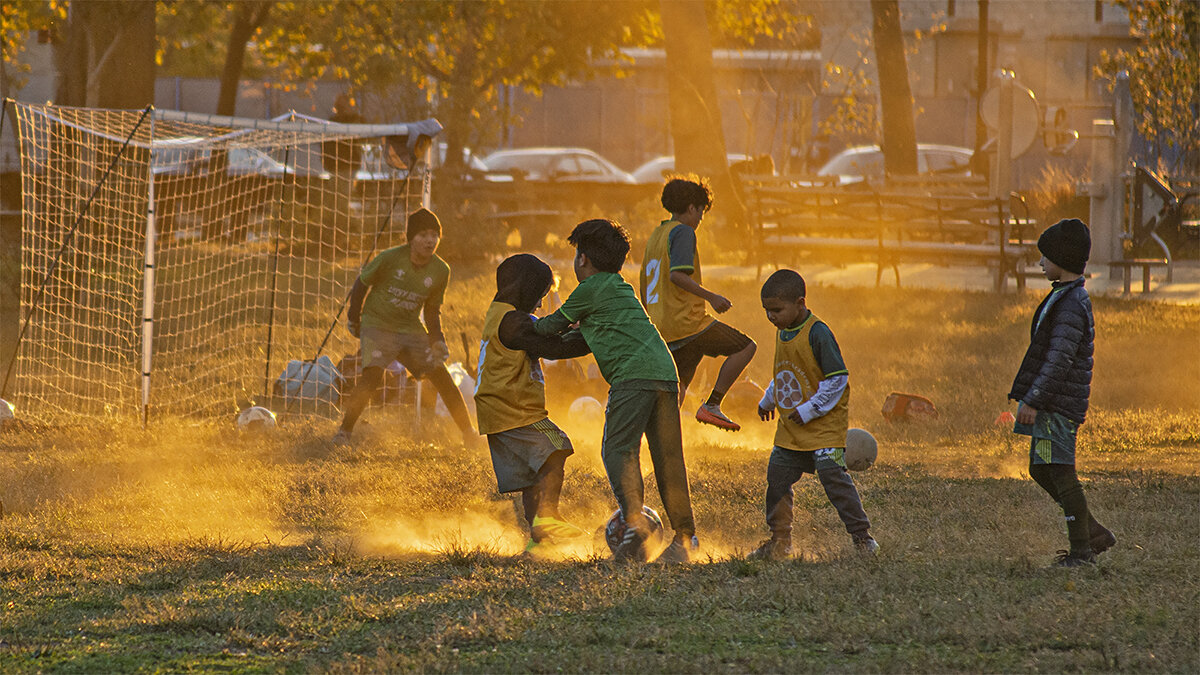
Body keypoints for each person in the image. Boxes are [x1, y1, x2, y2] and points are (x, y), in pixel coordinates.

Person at [534, 219, 700, 564]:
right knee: (668, 458)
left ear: (582, 259)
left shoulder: (589, 289)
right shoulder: (621, 289)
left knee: (617, 450)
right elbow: (584, 338)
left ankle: (634, 524)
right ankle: (685, 539)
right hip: (665, 375)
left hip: (632, 377)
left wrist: (523, 327)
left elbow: (551, 327)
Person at [1009, 218, 1116, 567]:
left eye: (1045, 256)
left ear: (1062, 259)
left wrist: (1034, 399)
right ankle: (1092, 532)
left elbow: (1058, 360)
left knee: (1060, 470)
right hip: (1051, 406)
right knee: (1041, 469)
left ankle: (1082, 551)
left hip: (1057, 408)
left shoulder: (1072, 303)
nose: (1040, 263)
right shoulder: (1063, 295)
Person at [750, 269, 877, 560]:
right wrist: (768, 400)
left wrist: (808, 411)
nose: (771, 316)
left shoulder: (818, 333)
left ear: (800, 302)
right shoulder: (783, 331)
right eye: (767, 311)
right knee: (777, 479)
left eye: (777, 310)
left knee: (834, 480)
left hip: (823, 428)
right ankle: (780, 542)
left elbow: (837, 379)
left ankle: (863, 539)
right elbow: (784, 372)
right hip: (791, 429)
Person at [474, 254, 593, 557]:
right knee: (558, 446)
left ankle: (537, 543)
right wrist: (593, 336)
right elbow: (554, 346)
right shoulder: (515, 322)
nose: (540, 304)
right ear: (525, 290)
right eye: (539, 296)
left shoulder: (501, 313)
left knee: (530, 478)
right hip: (515, 408)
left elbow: (540, 329)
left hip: (494, 411)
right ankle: (548, 517)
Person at [333, 208, 477, 446]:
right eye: (423, 234)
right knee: (372, 376)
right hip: (378, 323)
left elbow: (432, 310)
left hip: (410, 327)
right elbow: (361, 283)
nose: (430, 240)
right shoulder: (389, 258)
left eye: (434, 234)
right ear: (411, 238)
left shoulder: (441, 270)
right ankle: (344, 433)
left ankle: (469, 434)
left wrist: (437, 339)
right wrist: (354, 317)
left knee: (441, 376)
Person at [639, 177, 756, 431]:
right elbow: (677, 275)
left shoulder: (656, 235)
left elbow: (645, 286)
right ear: (692, 208)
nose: (701, 218)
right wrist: (711, 297)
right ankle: (712, 405)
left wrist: (653, 319)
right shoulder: (683, 232)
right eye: (702, 211)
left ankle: (662, 436)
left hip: (663, 325)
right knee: (746, 347)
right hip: (688, 322)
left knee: (678, 385)